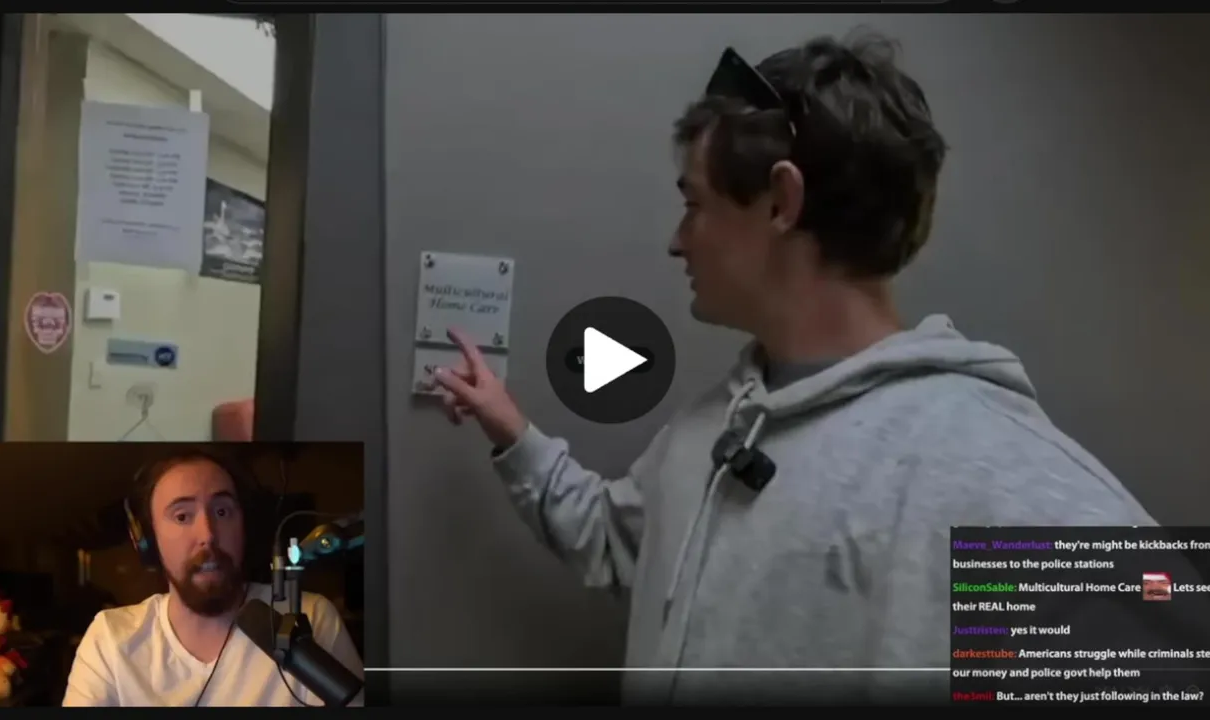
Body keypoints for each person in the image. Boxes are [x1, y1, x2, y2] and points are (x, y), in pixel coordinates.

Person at [432, 31, 1167, 704]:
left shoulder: (996, 484)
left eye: (695, 204)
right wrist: (513, 433)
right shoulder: (710, 433)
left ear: (781, 202)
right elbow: (620, 544)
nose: (677, 241)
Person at [62, 450, 364, 707]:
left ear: (244, 527)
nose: (208, 534)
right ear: (148, 541)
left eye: (222, 512)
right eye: (182, 516)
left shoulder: (310, 617)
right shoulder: (110, 640)